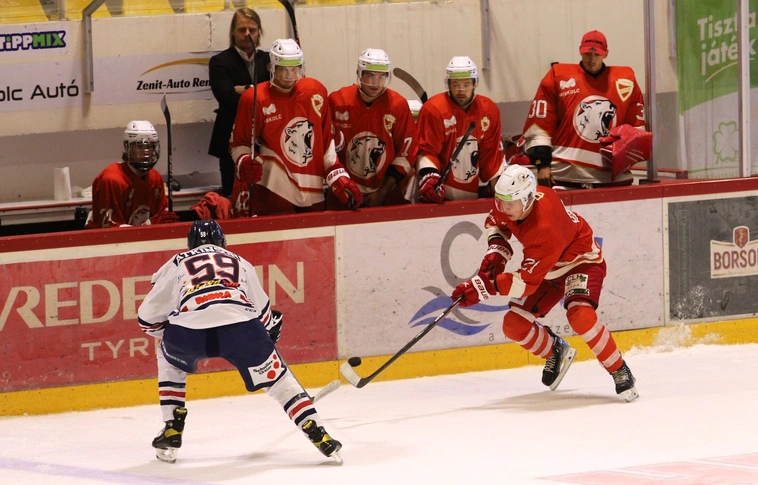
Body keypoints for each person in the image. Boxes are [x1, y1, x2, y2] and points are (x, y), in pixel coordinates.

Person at [137, 220, 342, 463]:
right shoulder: (240, 262)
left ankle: (172, 427)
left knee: (168, 358)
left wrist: (170, 333)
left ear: (190, 244)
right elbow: (264, 315)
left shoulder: (176, 262)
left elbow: (146, 318)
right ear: (223, 242)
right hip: (242, 330)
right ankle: (317, 430)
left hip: (188, 334)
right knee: (280, 381)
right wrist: (266, 335)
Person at [450, 164, 638, 402]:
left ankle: (619, 369)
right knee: (513, 325)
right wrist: (497, 252)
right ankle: (555, 350)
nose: (503, 207)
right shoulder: (509, 203)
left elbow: (526, 283)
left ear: (528, 199)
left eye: (510, 203)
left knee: (580, 316)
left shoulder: (545, 227)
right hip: (546, 269)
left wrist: (485, 287)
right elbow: (496, 224)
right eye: (500, 200)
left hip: (580, 263)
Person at [229, 38, 362, 217]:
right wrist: (244, 161)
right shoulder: (254, 98)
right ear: (272, 68)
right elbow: (239, 144)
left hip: (313, 191)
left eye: (294, 69)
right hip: (273, 190)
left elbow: (324, 142)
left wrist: (337, 175)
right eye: (283, 69)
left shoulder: (316, 92)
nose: (289, 76)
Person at [521, 30, 651, 188]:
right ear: (580, 51)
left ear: (606, 54)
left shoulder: (625, 82)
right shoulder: (558, 77)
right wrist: (542, 164)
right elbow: (540, 124)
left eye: (597, 55)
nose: (591, 59)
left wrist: (624, 154)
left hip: (612, 177)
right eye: (588, 54)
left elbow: (636, 131)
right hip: (565, 174)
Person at [327, 48, 418, 207]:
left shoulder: (397, 105)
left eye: (381, 76)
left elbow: (406, 152)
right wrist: (340, 183)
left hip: (387, 193)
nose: (376, 83)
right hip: (343, 190)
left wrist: (383, 192)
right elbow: (326, 148)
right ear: (359, 74)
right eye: (370, 76)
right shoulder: (338, 101)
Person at [415, 56, 505, 203]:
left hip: (470, 188)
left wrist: (500, 193)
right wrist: (430, 176)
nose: (461, 90)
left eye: (466, 84)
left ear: (475, 83)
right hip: (438, 190)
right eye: (456, 85)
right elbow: (427, 149)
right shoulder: (434, 109)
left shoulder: (488, 110)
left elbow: (491, 154)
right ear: (448, 84)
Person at [208, 8, 271, 198]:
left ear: (259, 32)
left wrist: (247, 89)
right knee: (233, 194)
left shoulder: (269, 60)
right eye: (242, 29)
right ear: (233, 32)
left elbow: (277, 95)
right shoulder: (219, 61)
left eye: (252, 30)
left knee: (265, 195)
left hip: (266, 138)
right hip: (230, 137)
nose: (247, 34)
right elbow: (227, 98)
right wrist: (261, 94)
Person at [86, 120, 179, 228]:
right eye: (140, 146)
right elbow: (110, 230)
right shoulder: (111, 180)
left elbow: (160, 219)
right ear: (128, 148)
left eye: (150, 146)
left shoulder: (155, 179)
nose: (146, 152)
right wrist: (149, 225)